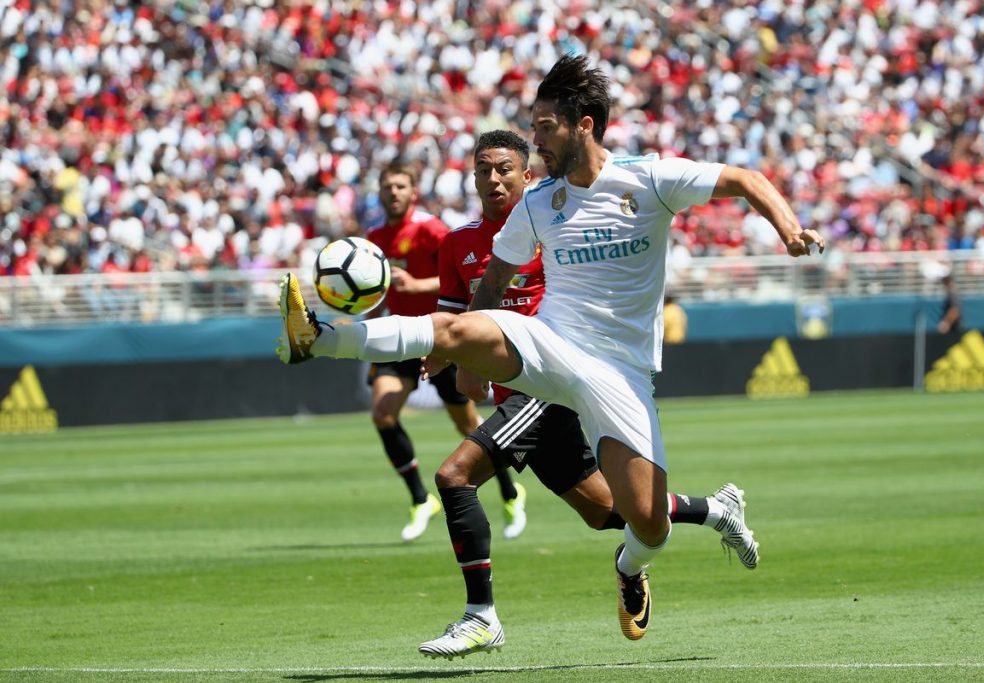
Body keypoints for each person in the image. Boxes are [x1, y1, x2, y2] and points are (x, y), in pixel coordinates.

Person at [277, 55, 824, 642]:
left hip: (620, 373)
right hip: (551, 342)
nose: (535, 141)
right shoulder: (539, 203)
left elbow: (745, 179)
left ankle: (631, 566)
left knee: (642, 523)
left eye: (544, 128)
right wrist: (462, 350)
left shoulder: (648, 178)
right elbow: (492, 283)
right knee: (452, 336)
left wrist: (789, 230)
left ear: (583, 125)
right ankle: (319, 336)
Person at [416, 129, 759, 658]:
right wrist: (451, 357)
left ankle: (480, 616)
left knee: (454, 476)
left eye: (505, 169)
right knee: (604, 512)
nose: (493, 179)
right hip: (512, 394)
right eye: (483, 170)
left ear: (527, 174)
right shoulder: (456, 244)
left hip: (550, 381)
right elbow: (454, 317)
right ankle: (715, 510)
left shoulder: (549, 224)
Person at [361, 161, 526, 542]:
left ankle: (510, 492)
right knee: (383, 413)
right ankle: (421, 499)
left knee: (467, 425)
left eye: (400, 186)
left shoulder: (432, 229)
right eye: (387, 187)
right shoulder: (375, 236)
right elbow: (376, 292)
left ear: (413, 192)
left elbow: (459, 276)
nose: (393, 193)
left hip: (441, 338)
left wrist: (418, 285)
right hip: (401, 337)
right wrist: (367, 330)